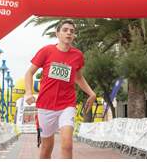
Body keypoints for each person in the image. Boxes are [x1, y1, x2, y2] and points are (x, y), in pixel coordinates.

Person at [24, 19, 96, 159]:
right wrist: (28, 92)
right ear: (57, 34)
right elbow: (29, 73)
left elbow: (78, 77)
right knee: (46, 148)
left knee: (67, 145)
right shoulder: (46, 51)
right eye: (65, 30)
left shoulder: (77, 55)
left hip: (66, 105)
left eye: (72, 31)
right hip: (46, 105)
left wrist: (91, 93)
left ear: (74, 35)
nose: (69, 33)